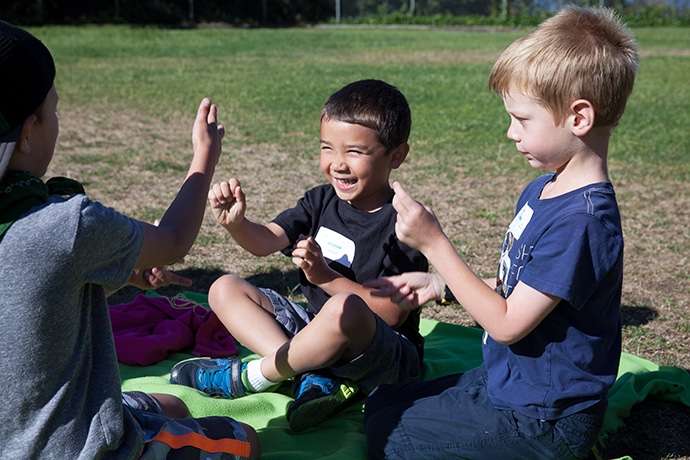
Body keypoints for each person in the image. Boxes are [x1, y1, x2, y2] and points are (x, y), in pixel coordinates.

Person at [363, 6, 638, 459]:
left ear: (579, 117)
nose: (510, 132)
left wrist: (435, 244)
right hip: (509, 384)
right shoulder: (542, 189)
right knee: (383, 405)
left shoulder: (583, 223)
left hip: (544, 418)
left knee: (392, 441)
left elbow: (508, 323)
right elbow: (520, 293)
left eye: (523, 119)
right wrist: (438, 285)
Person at [0, 20, 258, 459]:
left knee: (173, 404)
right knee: (245, 439)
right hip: (76, 448)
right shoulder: (67, 227)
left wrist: (111, 278)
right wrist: (205, 156)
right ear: (27, 131)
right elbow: (174, 239)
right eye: (54, 110)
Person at [170, 79, 429, 431]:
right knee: (224, 288)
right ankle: (305, 375)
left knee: (343, 309)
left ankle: (253, 377)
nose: (337, 164)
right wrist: (238, 224)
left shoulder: (407, 223)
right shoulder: (320, 201)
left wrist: (325, 278)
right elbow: (264, 242)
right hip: (314, 326)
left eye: (354, 152)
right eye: (327, 148)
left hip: (383, 351)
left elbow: (390, 313)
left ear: (396, 156)